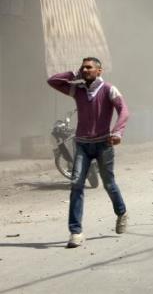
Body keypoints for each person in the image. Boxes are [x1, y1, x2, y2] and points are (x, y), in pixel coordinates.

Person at [47, 57, 130, 248]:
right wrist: (71, 75)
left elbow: (123, 111)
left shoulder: (109, 89)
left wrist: (117, 132)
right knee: (76, 184)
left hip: (103, 144)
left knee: (109, 184)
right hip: (82, 144)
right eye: (82, 67)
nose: (85, 70)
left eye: (89, 67)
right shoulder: (78, 90)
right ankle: (75, 232)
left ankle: (122, 213)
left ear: (99, 71)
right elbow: (52, 81)